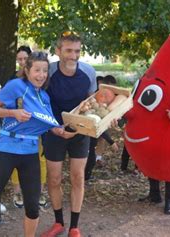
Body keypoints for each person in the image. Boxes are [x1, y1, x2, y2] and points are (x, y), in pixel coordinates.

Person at [0, 52, 64, 237]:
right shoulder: (16, 86)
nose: (41, 75)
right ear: (27, 70)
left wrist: (61, 130)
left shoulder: (44, 96)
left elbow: (51, 125)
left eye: (45, 71)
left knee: (33, 207)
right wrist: (14, 113)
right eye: (37, 70)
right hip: (6, 150)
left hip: (30, 153)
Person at [41, 31, 96, 237]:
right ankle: (58, 223)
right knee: (54, 179)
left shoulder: (89, 72)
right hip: (53, 131)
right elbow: (39, 103)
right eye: (68, 51)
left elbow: (92, 104)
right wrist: (54, 128)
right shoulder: (49, 71)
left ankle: (74, 227)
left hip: (80, 133)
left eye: (77, 51)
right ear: (58, 51)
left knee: (77, 178)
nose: (73, 55)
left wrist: (103, 116)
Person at [8, 46, 49, 209]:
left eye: (25, 59)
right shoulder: (13, 80)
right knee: (17, 158)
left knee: (40, 159)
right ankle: (18, 192)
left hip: (38, 128)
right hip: (18, 128)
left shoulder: (41, 80)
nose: (22, 62)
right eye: (20, 59)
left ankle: (40, 192)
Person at [84, 75, 119, 181]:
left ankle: (86, 176)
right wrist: (111, 141)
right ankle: (85, 177)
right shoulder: (95, 98)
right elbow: (98, 124)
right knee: (89, 155)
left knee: (91, 154)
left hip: (94, 133)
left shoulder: (107, 102)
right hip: (88, 131)